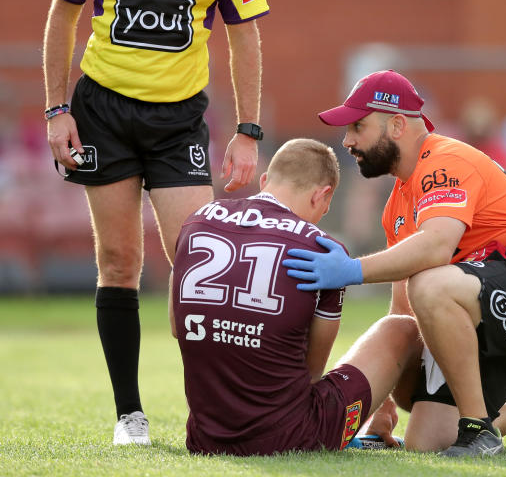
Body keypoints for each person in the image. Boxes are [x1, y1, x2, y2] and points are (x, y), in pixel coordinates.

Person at [40, 0, 268, 445]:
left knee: (198, 264)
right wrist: (57, 109)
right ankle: (129, 415)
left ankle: (216, 410)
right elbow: (62, 18)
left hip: (177, 122)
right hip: (104, 113)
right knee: (119, 262)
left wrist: (248, 130)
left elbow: (244, 36)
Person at [283, 69, 506, 457]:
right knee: (426, 443)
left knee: (431, 285)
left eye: (358, 126)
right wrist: (381, 403)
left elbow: (435, 249)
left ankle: (478, 430)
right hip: (475, 304)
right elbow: (404, 308)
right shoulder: (398, 202)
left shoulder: (444, 161)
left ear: (397, 124)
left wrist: (352, 270)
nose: (347, 140)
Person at [172, 138, 422, 455]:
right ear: (322, 195)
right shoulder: (321, 249)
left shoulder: (197, 221)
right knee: (401, 328)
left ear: (265, 181)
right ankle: (430, 421)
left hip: (204, 438)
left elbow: (176, 326)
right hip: (291, 435)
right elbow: (312, 371)